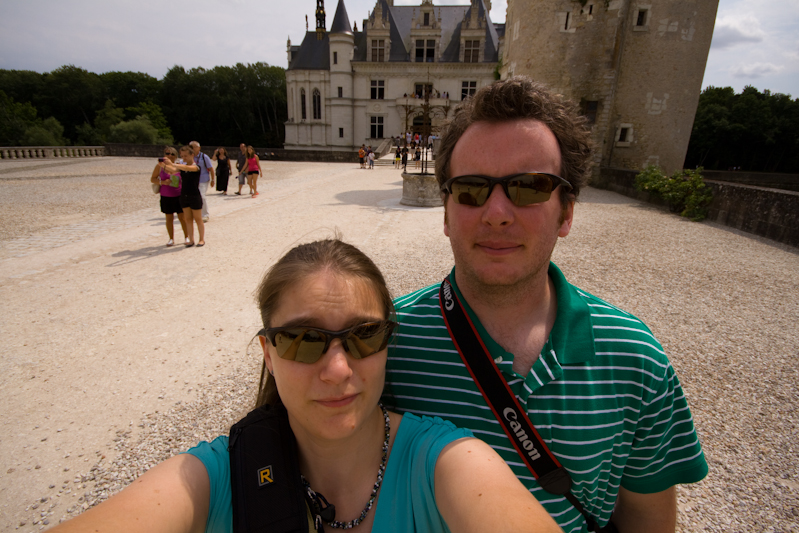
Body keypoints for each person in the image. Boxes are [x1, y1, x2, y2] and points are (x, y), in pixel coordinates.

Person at [48, 239, 562, 533]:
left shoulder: (451, 465)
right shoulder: (218, 476)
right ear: (268, 354)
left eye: (364, 335)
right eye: (301, 340)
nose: (338, 370)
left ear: (388, 342)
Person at [383, 77, 708, 533]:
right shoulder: (385, 342)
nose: (496, 212)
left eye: (529, 186)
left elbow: (647, 523)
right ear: (446, 212)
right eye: (472, 188)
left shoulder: (635, 357)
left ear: (567, 213)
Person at [149, 146, 189, 247]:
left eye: (172, 154)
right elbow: (152, 179)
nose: (169, 156)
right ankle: (171, 238)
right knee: (169, 218)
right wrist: (162, 182)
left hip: (179, 194)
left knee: (182, 217)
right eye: (167, 154)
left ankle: (187, 236)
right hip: (166, 195)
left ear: (176, 156)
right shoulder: (159, 166)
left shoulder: (179, 165)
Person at [168, 146, 204, 247]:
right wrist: (164, 164)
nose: (184, 158)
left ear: (192, 155)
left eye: (186, 156)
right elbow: (172, 170)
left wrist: (174, 164)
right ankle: (191, 239)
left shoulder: (196, 167)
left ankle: (201, 239)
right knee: (187, 219)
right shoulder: (182, 167)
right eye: (182, 156)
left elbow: (187, 167)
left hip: (194, 195)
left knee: (198, 219)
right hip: (184, 195)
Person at [190, 141, 215, 222]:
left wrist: (213, 179)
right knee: (193, 197)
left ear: (199, 148)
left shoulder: (204, 157)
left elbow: (211, 169)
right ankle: (195, 213)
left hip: (203, 180)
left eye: (194, 147)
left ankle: (205, 214)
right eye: (191, 147)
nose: (192, 149)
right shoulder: (189, 157)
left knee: (202, 196)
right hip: (192, 180)